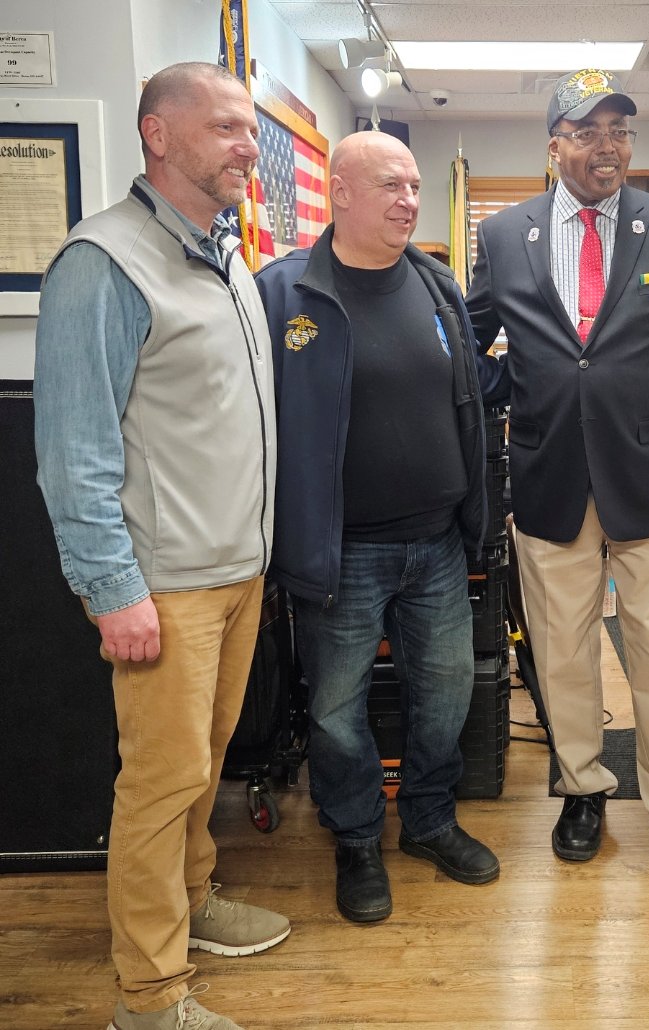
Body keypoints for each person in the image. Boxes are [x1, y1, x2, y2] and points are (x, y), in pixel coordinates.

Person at [34, 62, 288, 1030]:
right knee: (158, 783)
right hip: (164, 584)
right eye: (226, 127)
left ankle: (192, 895)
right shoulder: (105, 261)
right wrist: (112, 589)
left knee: (204, 764)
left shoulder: (223, 256)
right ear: (158, 134)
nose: (246, 147)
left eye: (249, 129)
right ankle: (147, 997)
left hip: (235, 571)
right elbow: (74, 451)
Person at [466, 69, 649, 889]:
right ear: (555, 148)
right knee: (562, 652)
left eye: (619, 131)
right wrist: (515, 391)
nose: (607, 146)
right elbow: (471, 344)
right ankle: (582, 789)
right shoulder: (503, 235)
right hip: (549, 477)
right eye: (587, 132)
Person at [256, 131, 505, 925]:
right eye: (391, 185)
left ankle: (429, 819)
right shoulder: (284, 295)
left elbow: (472, 392)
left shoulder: (436, 284)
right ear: (341, 193)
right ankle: (357, 836)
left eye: (415, 186)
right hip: (341, 553)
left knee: (447, 694)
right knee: (336, 710)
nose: (409, 201)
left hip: (437, 544)